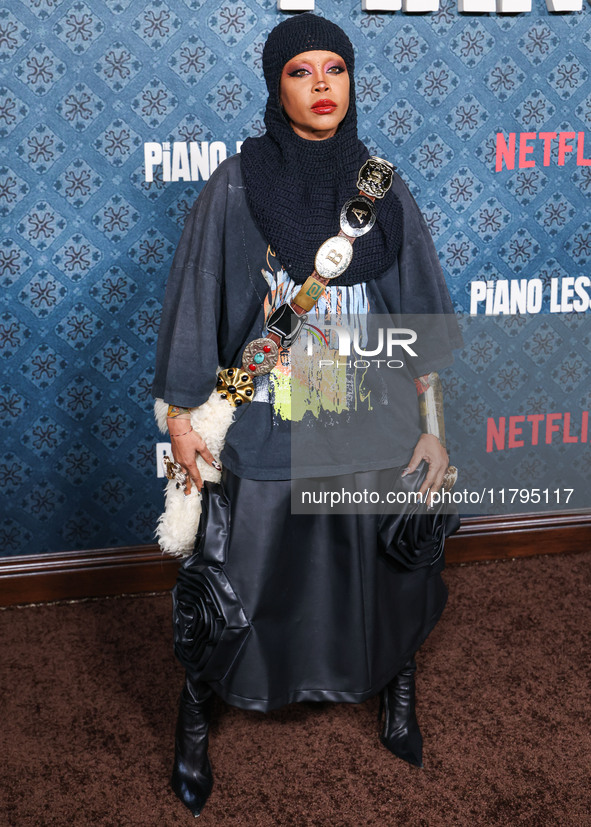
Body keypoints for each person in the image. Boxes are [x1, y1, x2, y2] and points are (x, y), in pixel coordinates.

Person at [153, 13, 461, 818]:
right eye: (301, 70)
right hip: (266, 414)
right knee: (231, 575)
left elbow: (421, 320)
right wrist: (183, 419)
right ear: (275, 84)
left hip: (371, 413)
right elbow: (195, 305)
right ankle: (197, 706)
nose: (322, 85)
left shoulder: (380, 188)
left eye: (335, 68)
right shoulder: (237, 182)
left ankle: (396, 688)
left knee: (388, 561)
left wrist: (432, 425)